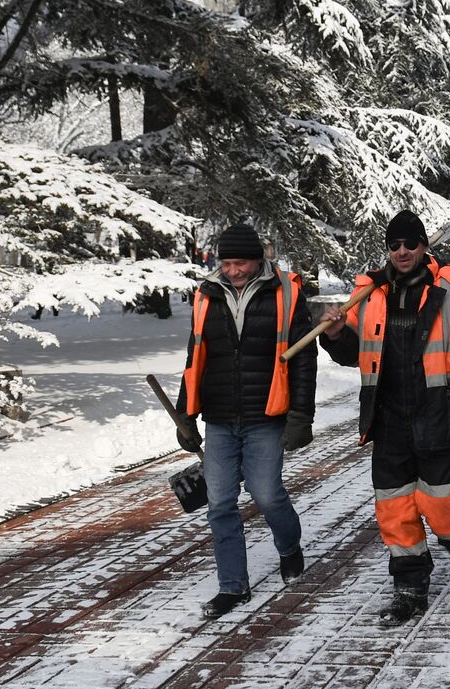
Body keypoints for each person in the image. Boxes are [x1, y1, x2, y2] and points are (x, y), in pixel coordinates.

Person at [318, 210, 450, 626]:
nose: (402, 251)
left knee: (440, 502)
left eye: (410, 243)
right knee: (394, 505)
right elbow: (354, 350)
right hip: (388, 417)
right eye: (394, 244)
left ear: (424, 246)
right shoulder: (368, 292)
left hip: (440, 412)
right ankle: (409, 584)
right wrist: (335, 335)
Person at [174, 222, 317, 619]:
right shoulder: (207, 294)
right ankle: (232, 586)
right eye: (227, 263)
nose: (233, 271)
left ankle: (289, 548)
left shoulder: (286, 293)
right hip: (219, 416)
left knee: (267, 495)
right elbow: (195, 355)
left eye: (241, 263)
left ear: (259, 259)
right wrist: (187, 412)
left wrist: (301, 415)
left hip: (266, 413)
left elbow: (305, 357)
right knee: (219, 503)